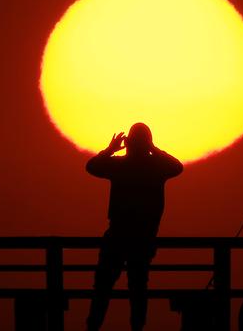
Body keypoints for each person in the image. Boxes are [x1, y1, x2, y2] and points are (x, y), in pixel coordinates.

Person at [86, 123, 183, 331]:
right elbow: (177, 167)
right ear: (147, 142)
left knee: (103, 288)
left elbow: (92, 167)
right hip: (143, 238)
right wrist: (154, 149)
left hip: (117, 236)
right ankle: (137, 329)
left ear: (128, 142)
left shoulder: (120, 166)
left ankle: (92, 328)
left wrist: (110, 150)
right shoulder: (157, 168)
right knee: (138, 289)